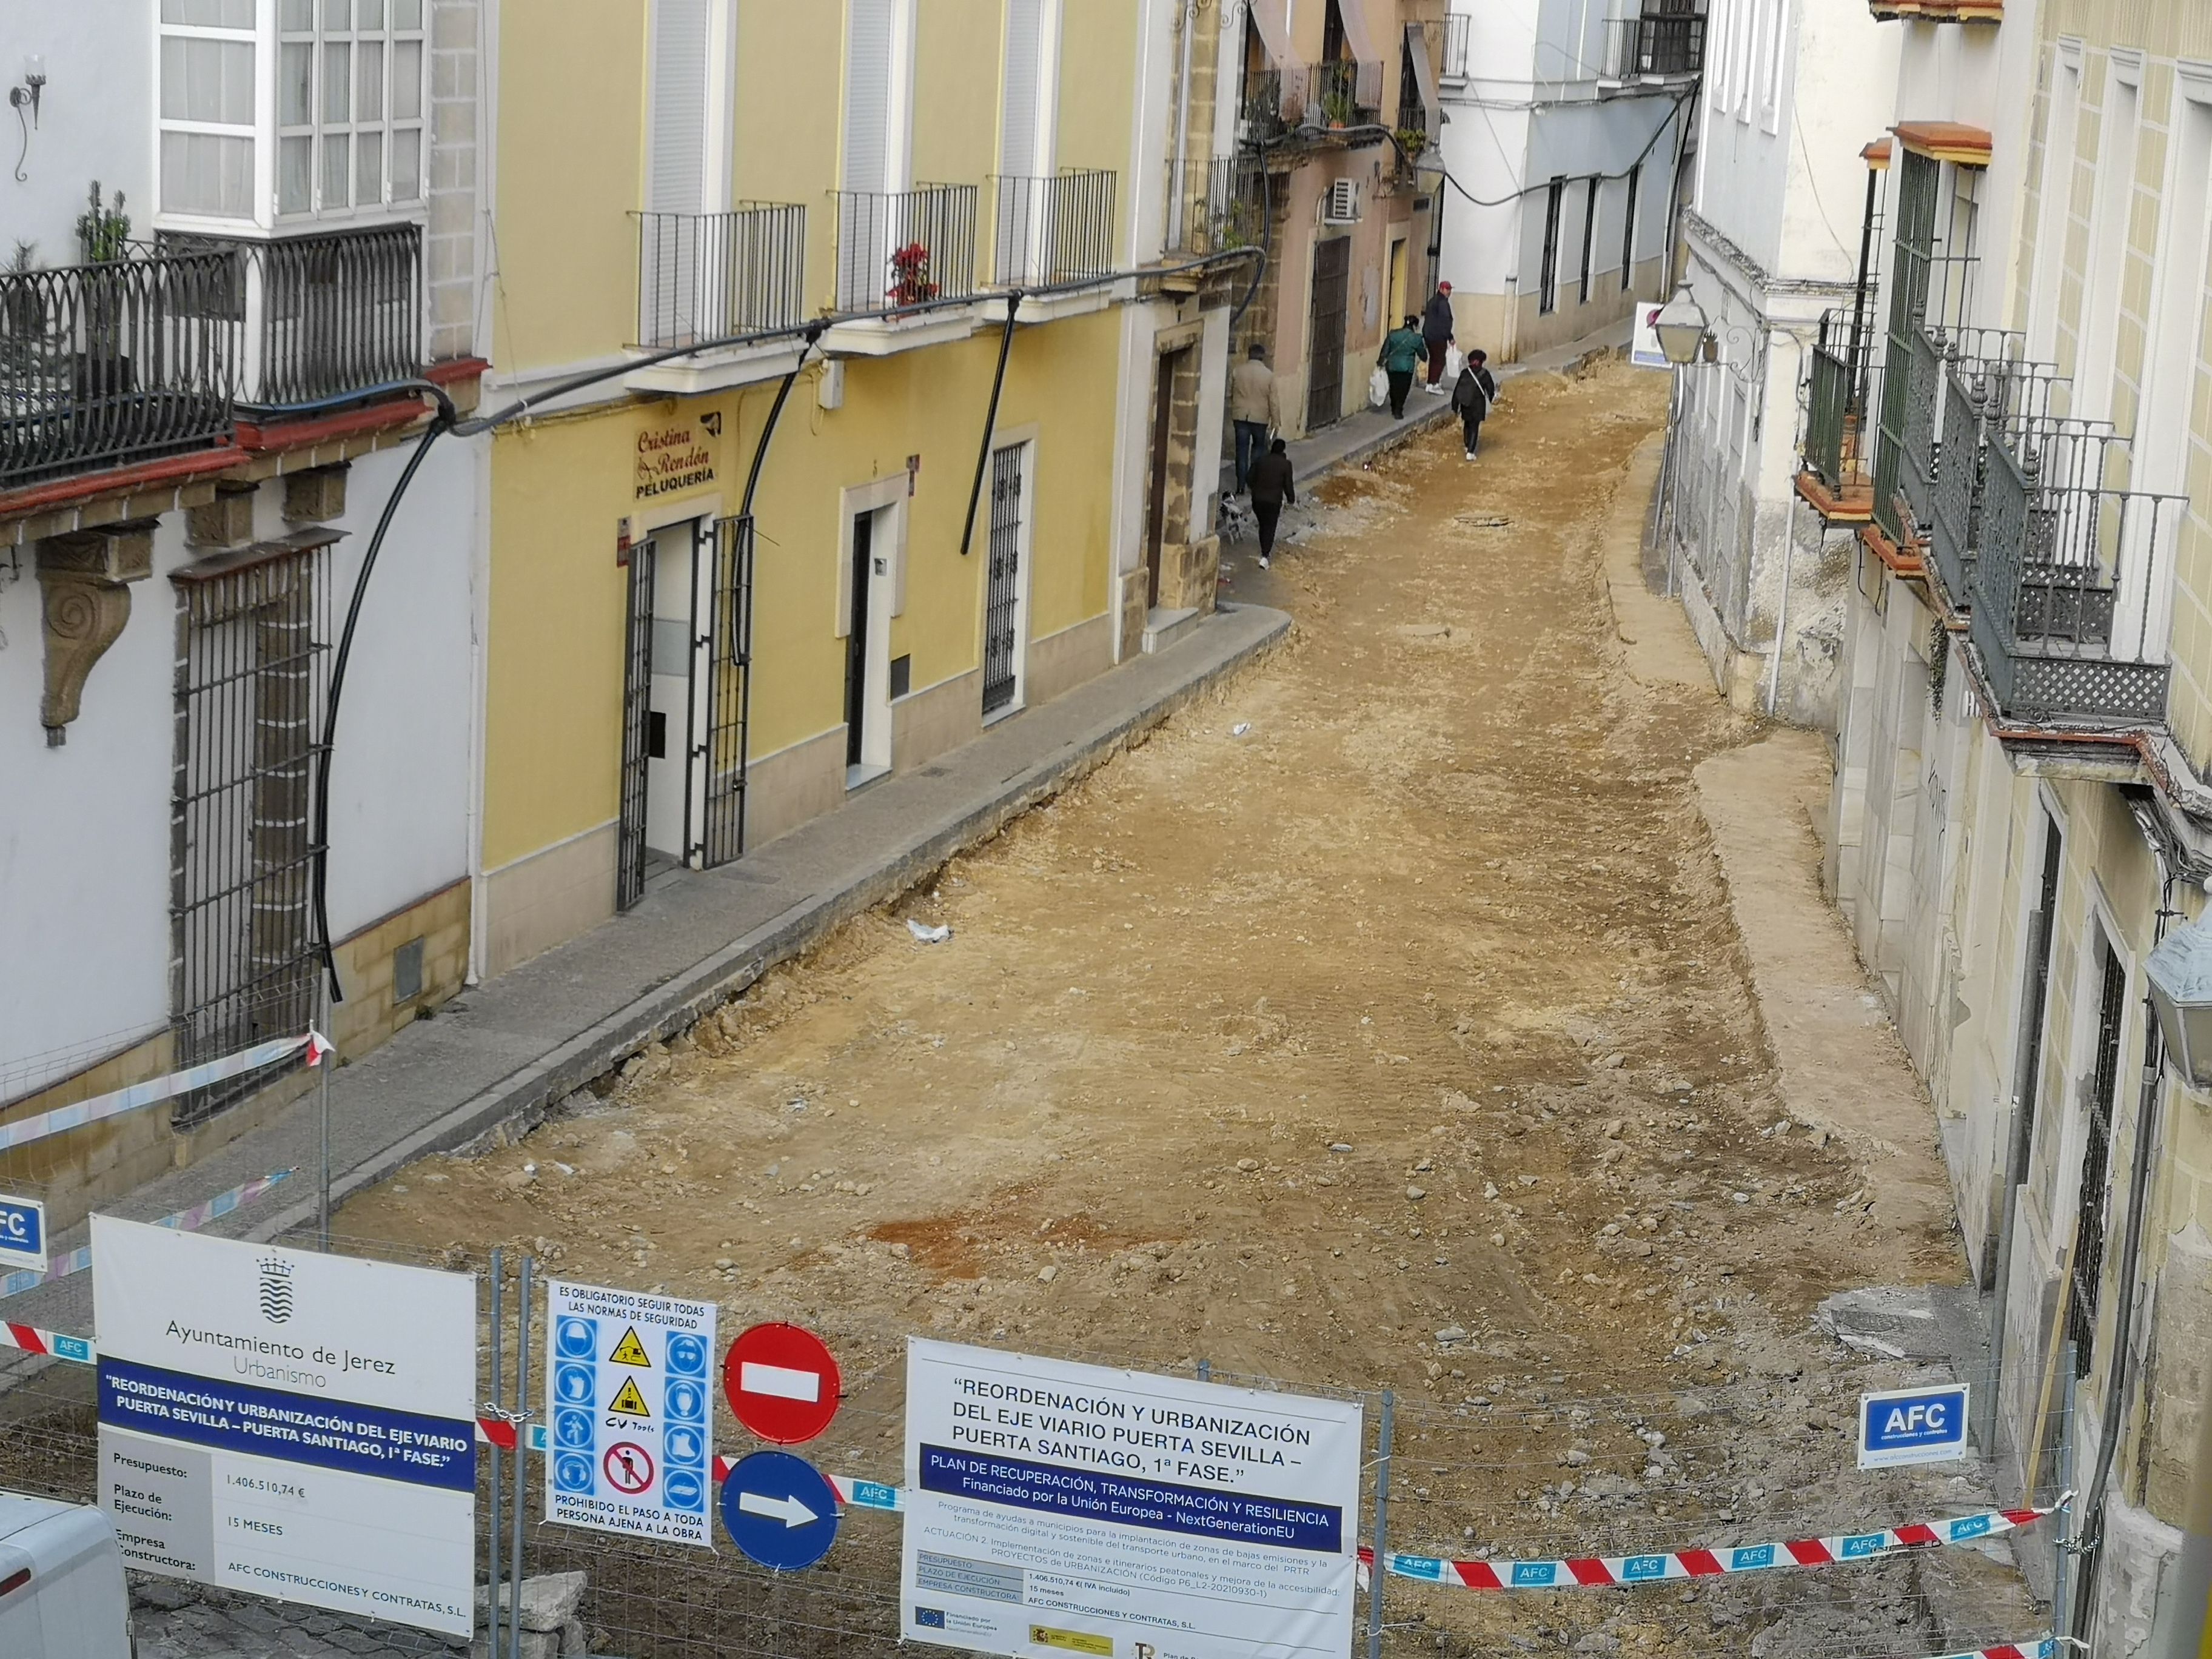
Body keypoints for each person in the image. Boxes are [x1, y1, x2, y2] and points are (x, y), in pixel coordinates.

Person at [1229, 343, 1279, 495]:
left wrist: (1236, 407)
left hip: (1240, 416)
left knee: (1241, 451)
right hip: (1260, 418)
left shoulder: (1237, 371)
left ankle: (1240, 486)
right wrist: (1276, 421)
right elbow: (1273, 401)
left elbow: (1230, 393)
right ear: (1262, 356)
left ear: (1249, 355)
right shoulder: (1269, 376)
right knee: (1258, 450)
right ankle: (1254, 482)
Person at [1246, 437, 1296, 568]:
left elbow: (1249, 478)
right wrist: (1291, 500)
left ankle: (1264, 549)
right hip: (1273, 502)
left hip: (1258, 500)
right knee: (1270, 527)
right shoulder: (1286, 465)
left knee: (1263, 525)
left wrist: (1255, 489)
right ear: (1283, 450)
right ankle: (1265, 554)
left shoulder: (1261, 461)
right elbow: (1288, 485)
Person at [1451, 348, 1500, 460]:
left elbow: (1457, 390)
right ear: (1481, 362)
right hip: (1478, 405)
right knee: (1474, 427)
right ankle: (1471, 452)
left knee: (1467, 424)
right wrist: (1492, 399)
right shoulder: (1485, 374)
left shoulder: (1465, 373)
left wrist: (1455, 406)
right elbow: (1490, 389)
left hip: (1466, 404)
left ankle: (1467, 445)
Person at [1377, 315, 1428, 420]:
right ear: (1415, 326)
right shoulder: (1416, 338)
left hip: (1392, 366)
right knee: (1403, 389)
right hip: (1406, 368)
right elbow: (1423, 355)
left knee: (1394, 387)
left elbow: (1385, 351)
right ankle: (1398, 409)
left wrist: (1380, 362)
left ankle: (1394, 406)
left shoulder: (1393, 334)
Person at [1421, 281, 1456, 390]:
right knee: (1440, 360)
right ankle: (1434, 383)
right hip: (1438, 336)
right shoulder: (1442, 303)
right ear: (1441, 289)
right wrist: (1450, 337)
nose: (1449, 292)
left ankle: (1430, 383)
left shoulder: (1433, 301)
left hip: (1429, 335)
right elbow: (1445, 322)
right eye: (1447, 289)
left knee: (1434, 359)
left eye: (1450, 289)